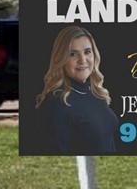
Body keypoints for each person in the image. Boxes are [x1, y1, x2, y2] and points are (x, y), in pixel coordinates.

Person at [23, 26, 120, 154]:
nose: (82, 60)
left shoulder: (94, 92)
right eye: (73, 54)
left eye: (87, 52)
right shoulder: (57, 103)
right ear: (61, 59)